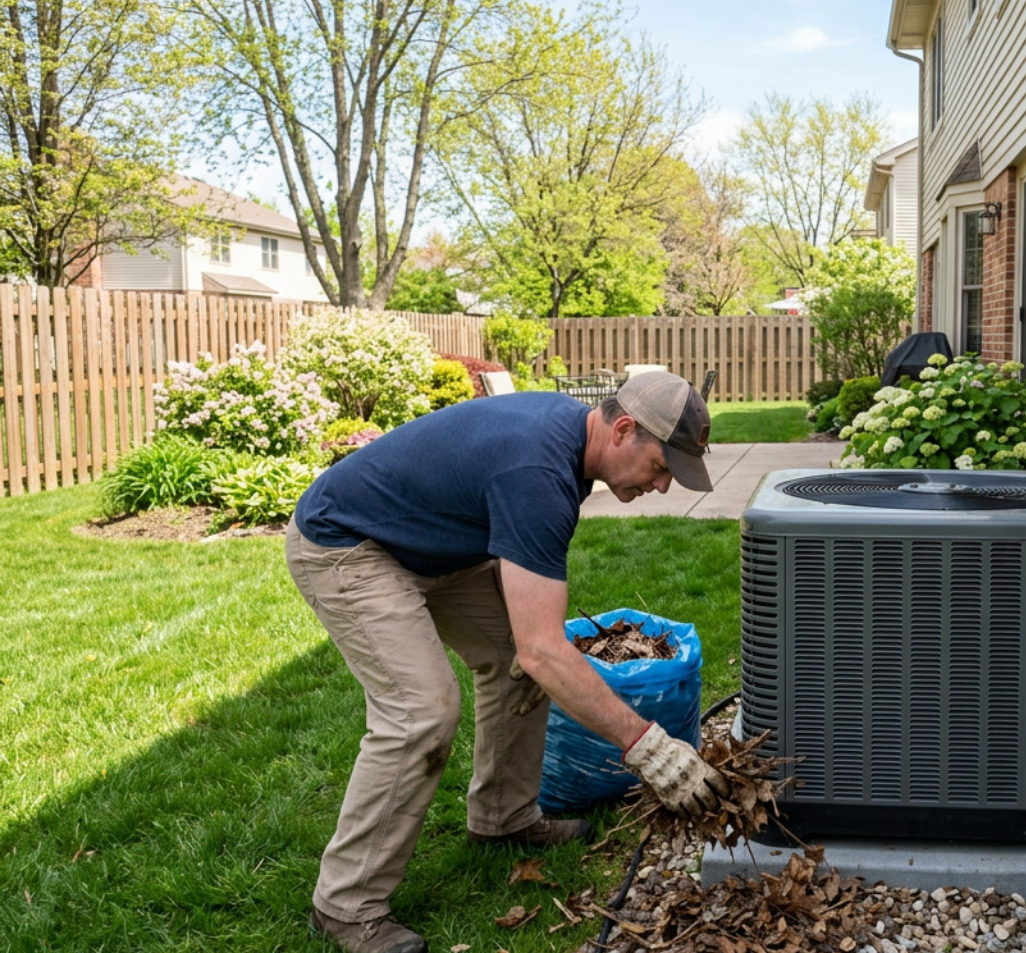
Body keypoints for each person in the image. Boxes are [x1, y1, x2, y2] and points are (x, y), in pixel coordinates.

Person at [285, 371, 728, 953]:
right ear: (623, 430)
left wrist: (529, 642)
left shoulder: (567, 442)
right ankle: (344, 904)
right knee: (422, 713)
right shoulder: (539, 472)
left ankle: (504, 815)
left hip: (433, 544)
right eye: (662, 467)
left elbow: (529, 639)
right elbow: (544, 649)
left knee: (515, 663)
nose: (664, 486)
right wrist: (649, 747)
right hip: (348, 544)